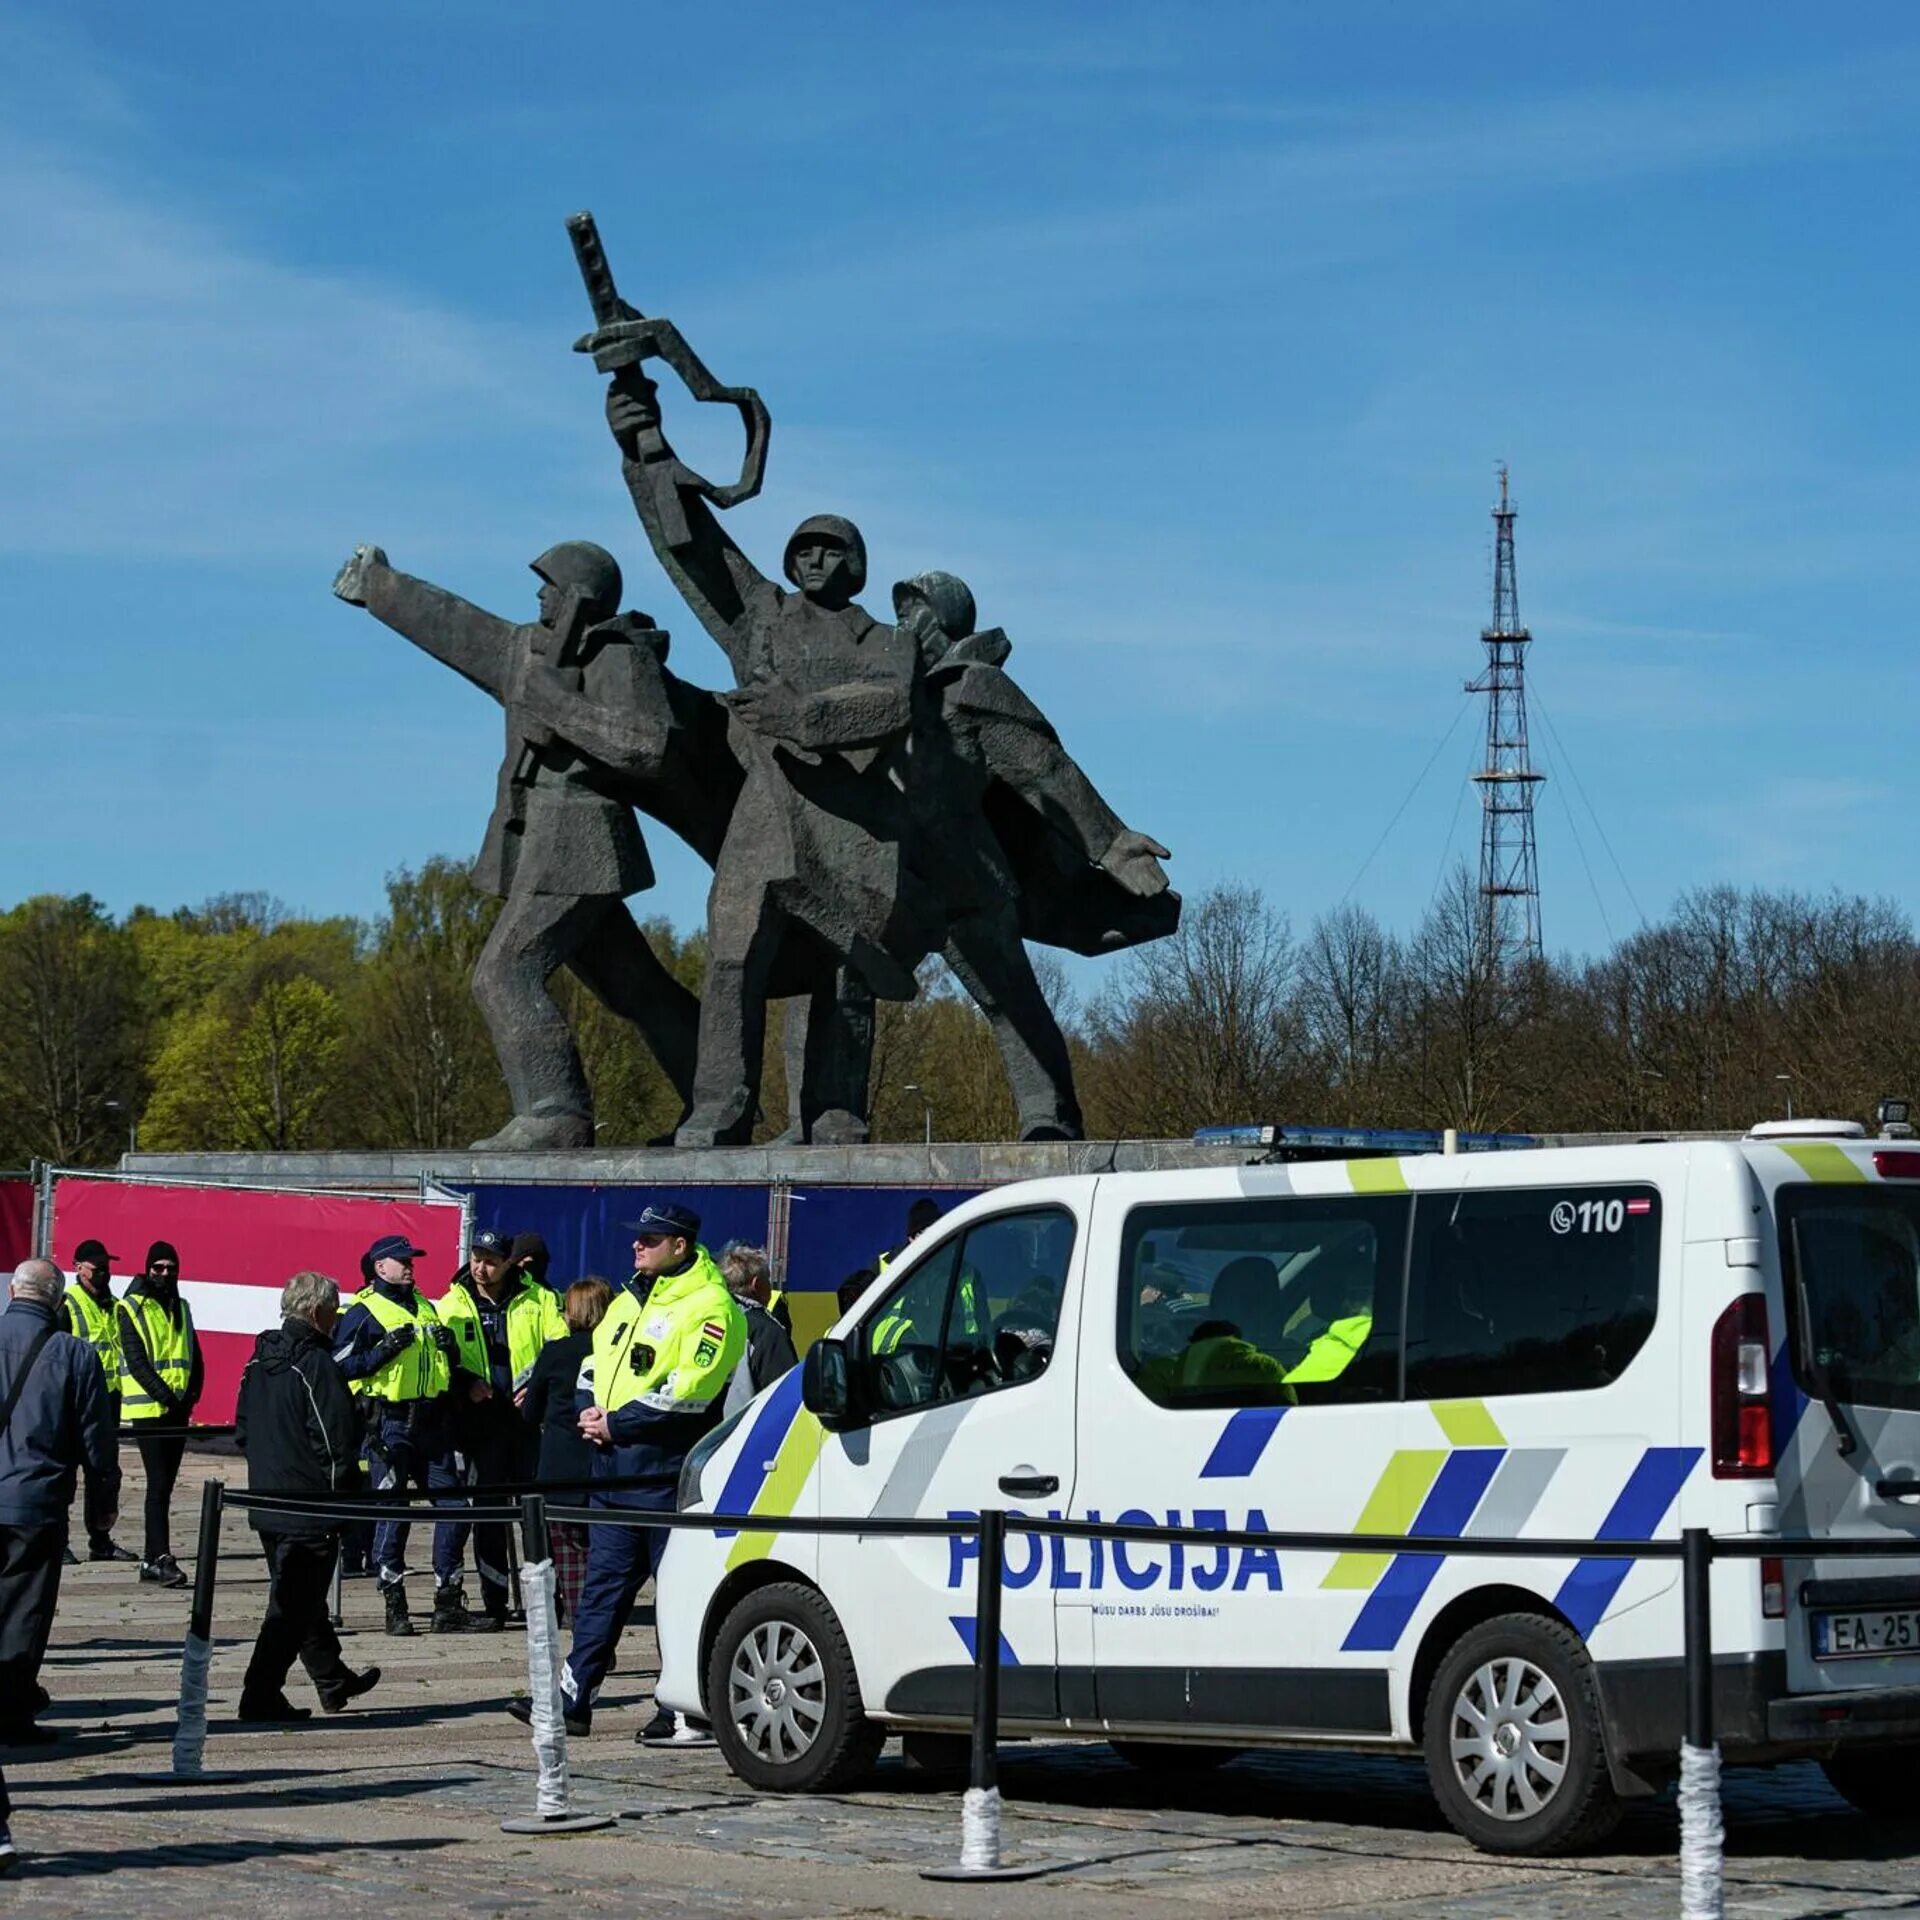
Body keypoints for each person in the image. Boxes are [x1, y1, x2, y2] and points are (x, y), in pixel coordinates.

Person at [334, 540, 701, 1149]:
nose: (538, 596)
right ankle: (717, 1098)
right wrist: (381, 587)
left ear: (578, 596)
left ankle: (555, 1112)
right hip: (542, 840)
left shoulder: (620, 659)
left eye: (549, 587)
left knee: (504, 973)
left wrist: (561, 709)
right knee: (635, 986)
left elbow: (649, 745)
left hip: (581, 837)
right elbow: (457, 628)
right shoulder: (527, 651)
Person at [509, 1202, 743, 1742]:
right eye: (637, 1238)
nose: (637, 1246)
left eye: (650, 1240)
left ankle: (686, 1708)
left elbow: (690, 1392)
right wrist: (591, 1409)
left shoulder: (711, 1306)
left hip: (664, 1476)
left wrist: (618, 1424)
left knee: (681, 1597)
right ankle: (573, 1698)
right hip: (613, 1475)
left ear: (679, 1246)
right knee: (600, 1592)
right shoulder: (630, 1296)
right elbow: (595, 1360)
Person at [233, 1270, 382, 1723]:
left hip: (269, 1501)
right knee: (292, 1605)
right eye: (334, 1312)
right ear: (318, 1313)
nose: (337, 1320)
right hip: (309, 1505)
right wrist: (343, 1505)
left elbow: (242, 1430)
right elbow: (336, 1442)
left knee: (299, 1595)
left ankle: (333, 1679)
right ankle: (259, 1693)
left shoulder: (257, 1362)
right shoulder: (317, 1365)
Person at [0, 1259, 116, 1750]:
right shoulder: (73, 1354)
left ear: (12, 1292)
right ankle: (9, 1713)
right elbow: (97, 1443)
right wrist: (101, 1510)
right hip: (34, 1501)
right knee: (24, 1611)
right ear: (59, 1302)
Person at [331, 1233, 466, 1636]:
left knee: (456, 1507)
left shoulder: (424, 1304)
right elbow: (338, 1367)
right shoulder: (363, 1310)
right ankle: (395, 1602)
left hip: (432, 1420)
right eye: (401, 1260)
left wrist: (452, 1346)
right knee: (395, 1511)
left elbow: (442, 1363)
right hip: (389, 1421)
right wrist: (381, 1352)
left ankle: (448, 1600)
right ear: (380, 1267)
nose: (409, 1265)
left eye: (412, 1259)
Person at [435, 1226, 566, 1629]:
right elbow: (442, 1359)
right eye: (476, 1258)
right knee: (488, 1515)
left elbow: (557, 1349)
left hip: (527, 1423)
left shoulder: (541, 1298)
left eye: (491, 1261)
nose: (481, 1267)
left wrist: (537, 1388)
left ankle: (544, 1602)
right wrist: (464, 1383)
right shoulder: (450, 1303)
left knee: (536, 1513)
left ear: (509, 1263)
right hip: (479, 1424)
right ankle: (494, 1603)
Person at [519, 1277, 611, 1624]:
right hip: (603, 1462)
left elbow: (531, 1412)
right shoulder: (614, 1351)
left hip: (559, 1466)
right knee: (600, 1553)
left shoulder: (557, 1352)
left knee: (564, 1551)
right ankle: (596, 1625)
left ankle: (574, 1622)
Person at [116, 1240, 203, 1588]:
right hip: (150, 1409)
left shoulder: (181, 1305)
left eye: (171, 1268)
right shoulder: (131, 1307)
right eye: (158, 1268)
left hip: (178, 1409)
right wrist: (166, 1396)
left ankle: (155, 1557)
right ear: (148, 1268)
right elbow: (136, 1360)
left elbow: (193, 1354)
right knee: (157, 1484)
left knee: (165, 1485)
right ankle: (158, 1556)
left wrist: (191, 1394)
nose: (165, 1274)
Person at [62, 1239, 131, 1564]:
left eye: (107, 1267)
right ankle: (58, 1541)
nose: (104, 1273)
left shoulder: (114, 1305)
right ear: (78, 1268)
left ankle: (100, 1540)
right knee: (64, 1470)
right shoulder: (67, 1302)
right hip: (74, 1400)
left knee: (104, 1474)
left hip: (108, 1400)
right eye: (97, 1268)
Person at [719, 1244, 798, 1416]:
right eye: (768, 1279)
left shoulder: (710, 1318)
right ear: (757, 1284)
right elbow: (786, 1398)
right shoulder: (766, 1332)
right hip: (744, 1435)